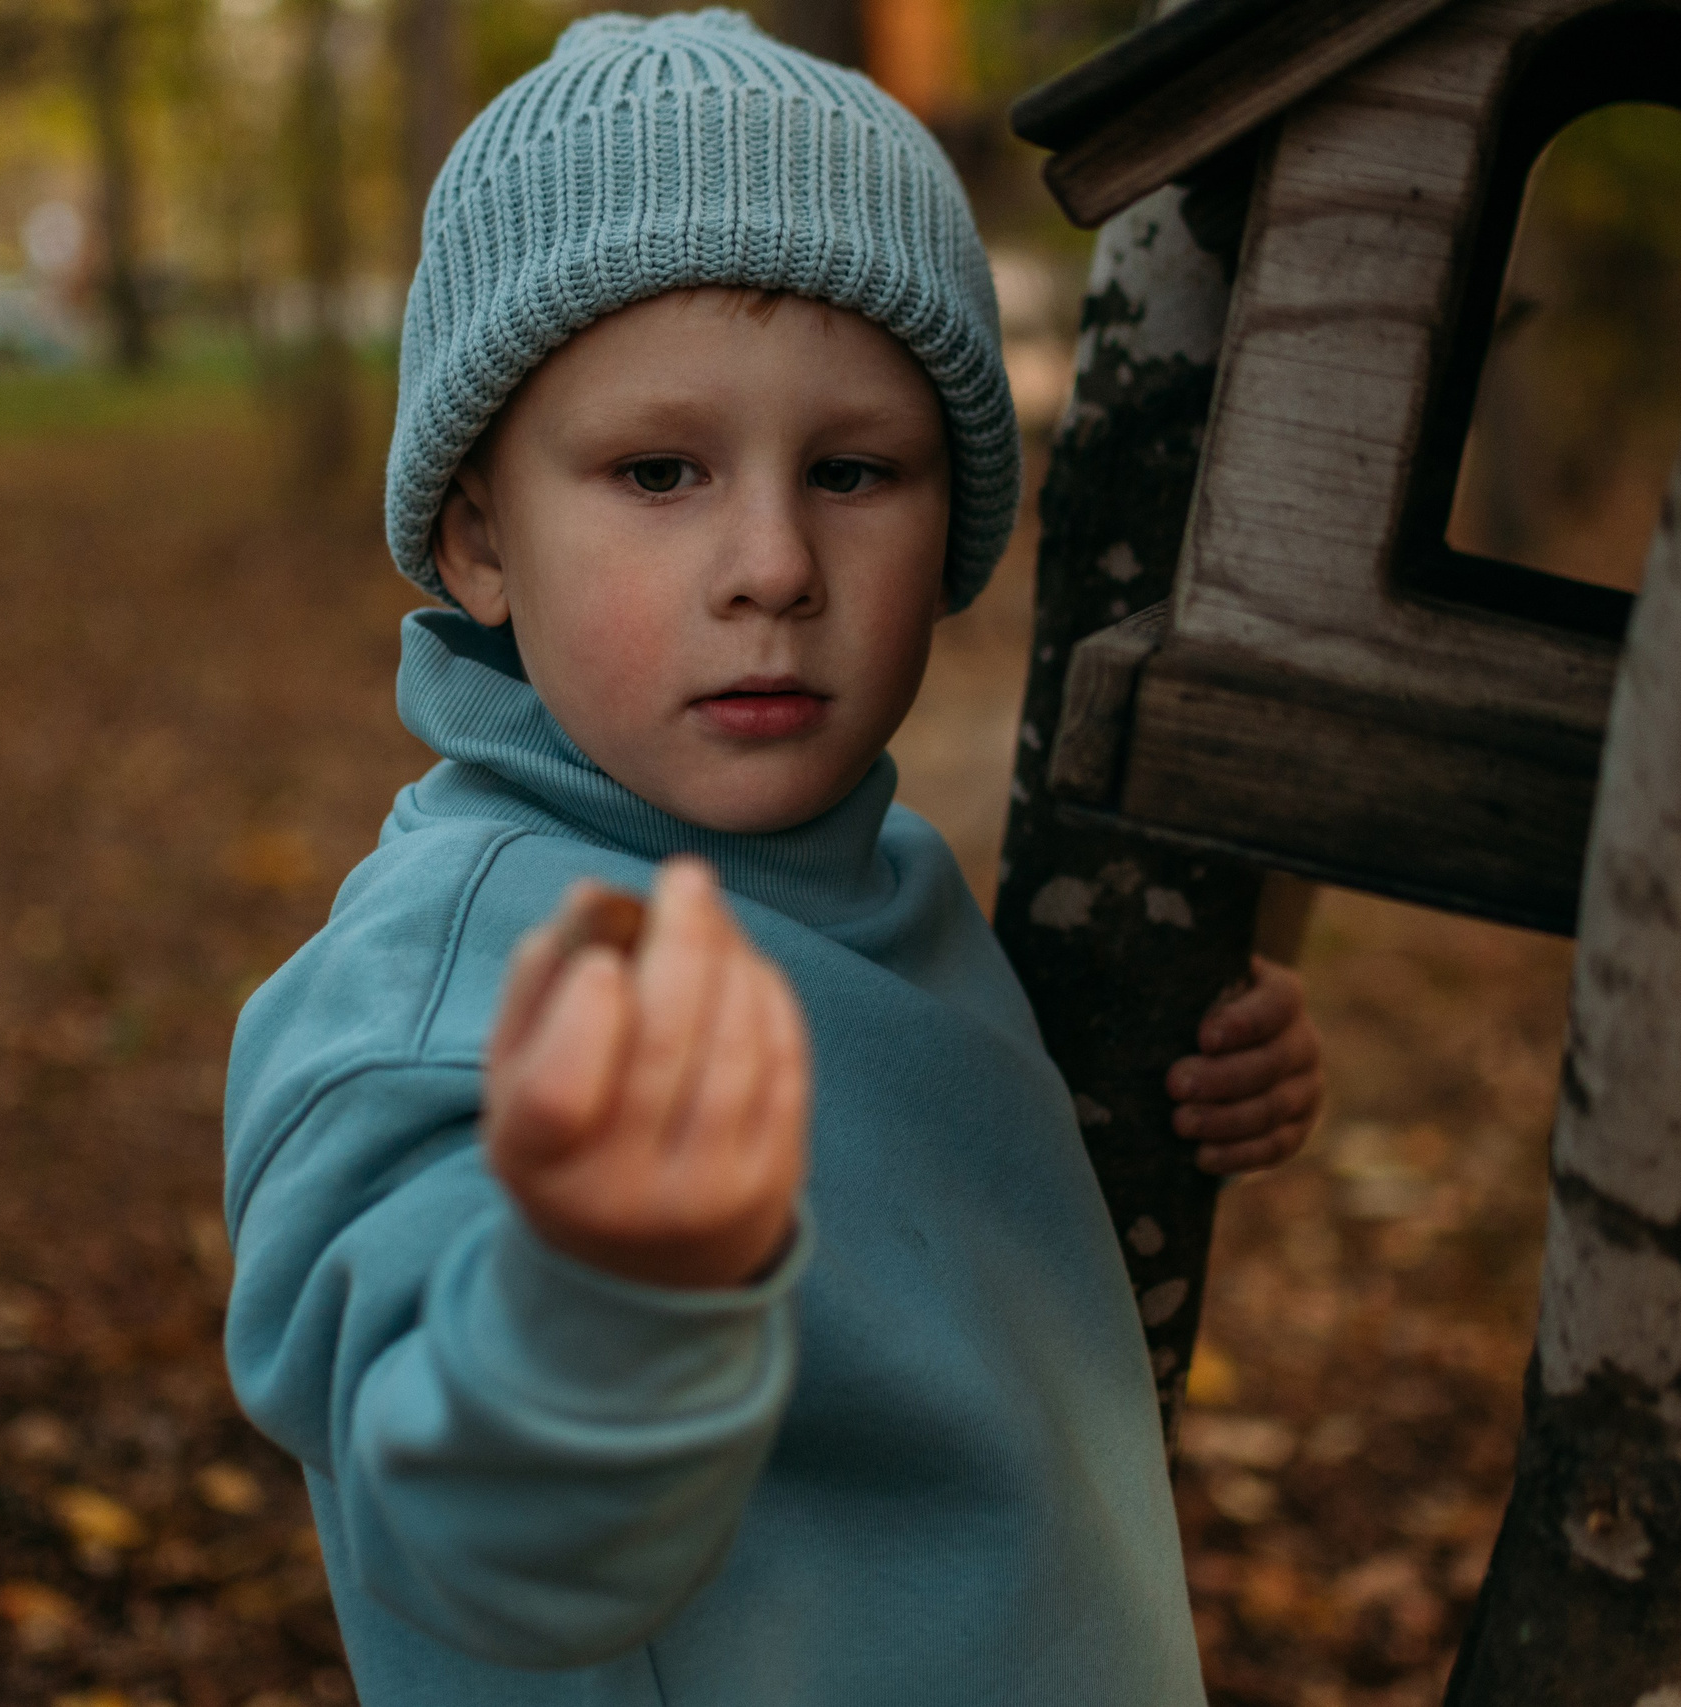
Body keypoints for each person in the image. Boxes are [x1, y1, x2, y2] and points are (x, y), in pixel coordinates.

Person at [222, 13, 1324, 1704]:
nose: (773, 564)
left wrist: (1194, 1042)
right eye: (658, 470)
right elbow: (470, 1532)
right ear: (478, 534)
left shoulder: (862, 882)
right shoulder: (466, 987)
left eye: (854, 472)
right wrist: (605, 1305)